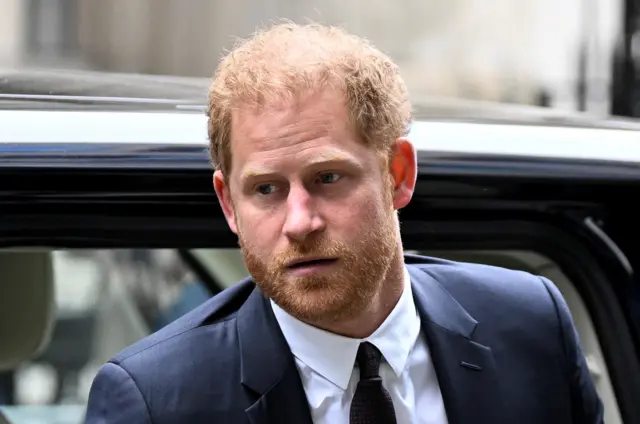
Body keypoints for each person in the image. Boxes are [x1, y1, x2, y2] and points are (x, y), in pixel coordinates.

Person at [84, 22, 603, 424]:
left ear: (397, 173)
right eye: (266, 189)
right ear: (228, 205)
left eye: (328, 177)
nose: (300, 222)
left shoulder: (530, 326)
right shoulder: (157, 400)